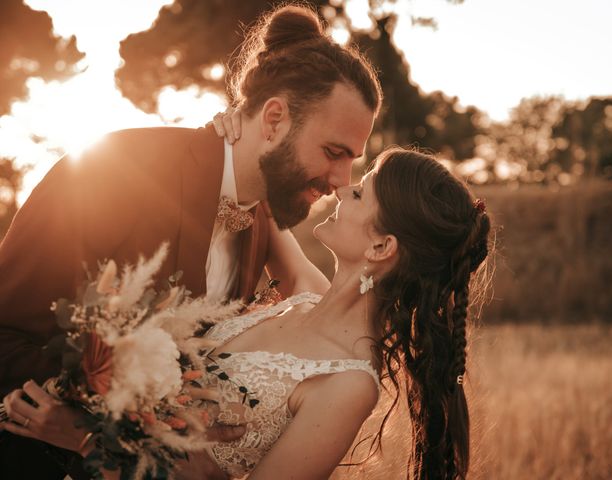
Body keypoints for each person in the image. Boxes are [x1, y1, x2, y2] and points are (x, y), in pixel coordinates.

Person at [0, 4, 382, 478]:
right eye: (333, 152)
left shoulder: (263, 224)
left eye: (353, 160)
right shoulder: (113, 169)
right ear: (275, 119)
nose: (342, 181)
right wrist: (94, 421)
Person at [3, 147, 492, 480]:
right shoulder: (304, 293)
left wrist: (86, 439)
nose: (341, 190)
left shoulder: (347, 383)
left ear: (382, 246)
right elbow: (252, 191)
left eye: (360, 192)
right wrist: (237, 136)